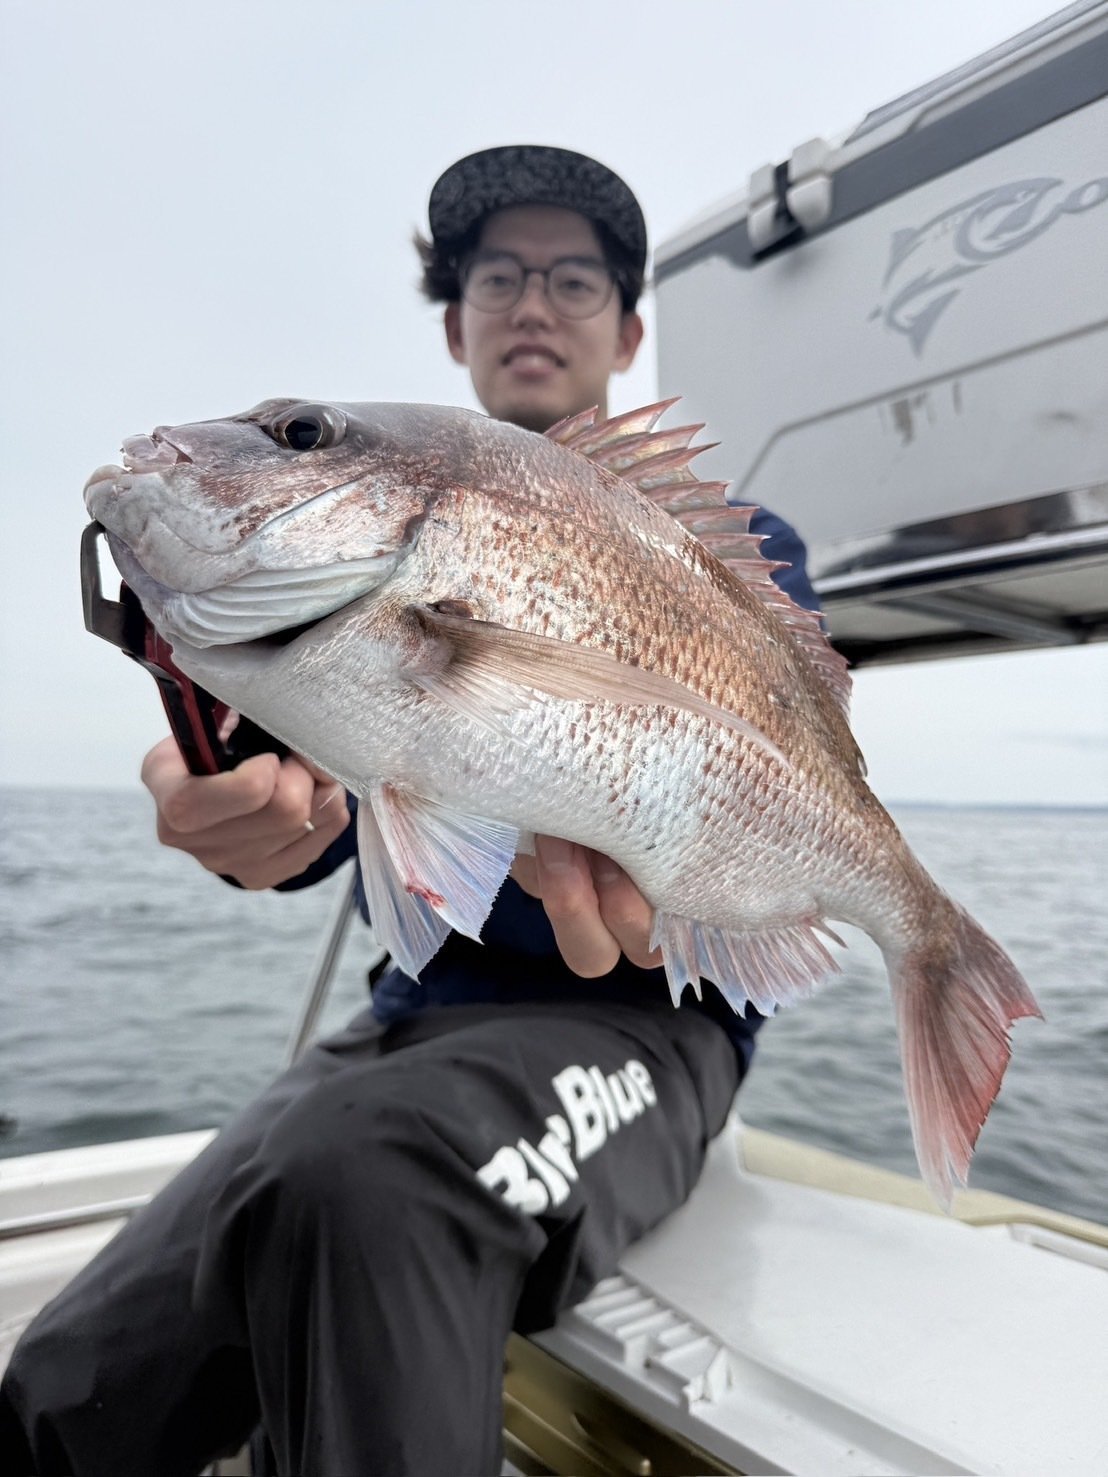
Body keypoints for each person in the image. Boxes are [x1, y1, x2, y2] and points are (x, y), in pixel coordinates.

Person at [1, 145, 820, 1476]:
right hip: (412, 1016)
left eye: (574, 279)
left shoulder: (735, 550)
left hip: (647, 1025)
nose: (533, 304)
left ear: (629, 330)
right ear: (455, 328)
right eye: (497, 278)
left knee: (359, 1184)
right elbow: (317, 815)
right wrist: (229, 809)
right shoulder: (341, 585)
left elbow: (777, 772)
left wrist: (716, 891)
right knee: (63, 1386)